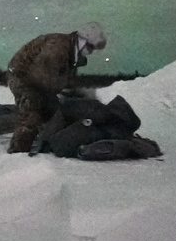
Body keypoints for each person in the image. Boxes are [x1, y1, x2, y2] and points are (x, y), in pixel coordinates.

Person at [6, 22, 107, 154]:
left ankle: (45, 142)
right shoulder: (56, 48)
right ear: (83, 41)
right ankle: (17, 153)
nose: (90, 52)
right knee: (33, 110)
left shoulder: (71, 52)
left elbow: (65, 79)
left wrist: (79, 92)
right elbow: (43, 78)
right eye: (90, 48)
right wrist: (66, 90)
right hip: (23, 77)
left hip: (38, 80)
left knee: (54, 111)